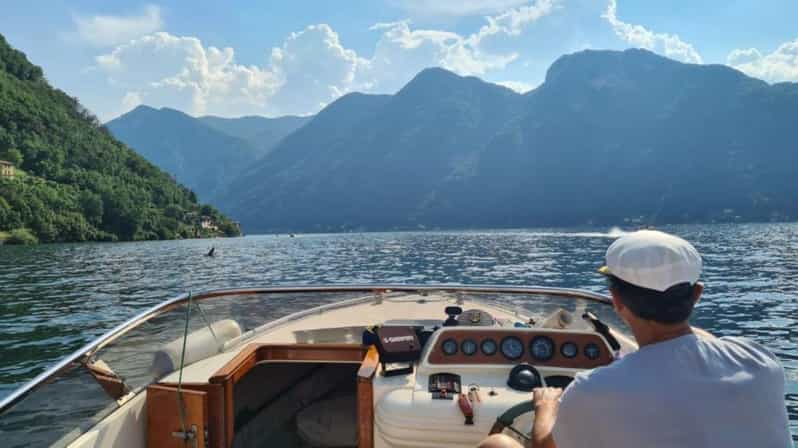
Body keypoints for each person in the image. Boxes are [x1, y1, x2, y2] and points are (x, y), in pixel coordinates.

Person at [525, 230, 792, 448]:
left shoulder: (592, 390)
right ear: (697, 294)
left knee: (499, 443)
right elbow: (697, 341)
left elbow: (546, 445)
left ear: (616, 301)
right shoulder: (761, 362)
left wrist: (546, 407)